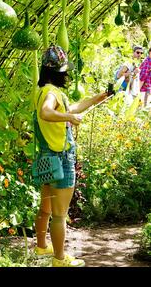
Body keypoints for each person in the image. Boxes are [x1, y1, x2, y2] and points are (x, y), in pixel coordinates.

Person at [33, 45, 108, 267]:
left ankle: (41, 246)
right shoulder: (51, 93)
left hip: (47, 155)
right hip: (61, 157)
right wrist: (68, 117)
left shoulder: (42, 90)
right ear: (58, 72)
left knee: (46, 207)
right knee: (59, 214)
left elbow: (72, 107)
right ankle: (59, 259)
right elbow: (46, 112)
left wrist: (99, 97)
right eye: (65, 71)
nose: (67, 75)